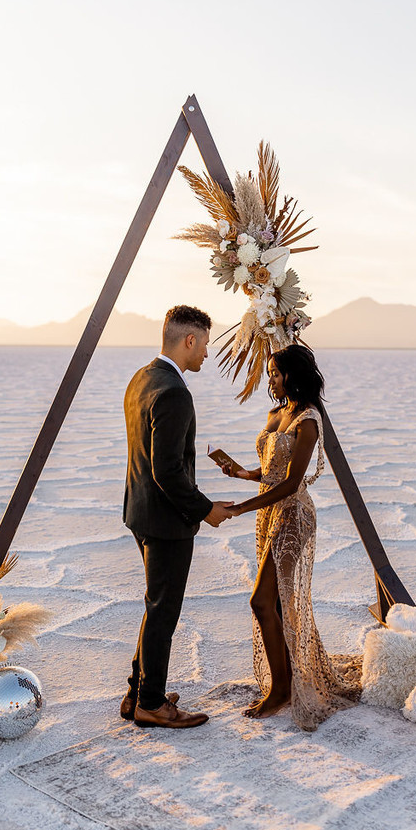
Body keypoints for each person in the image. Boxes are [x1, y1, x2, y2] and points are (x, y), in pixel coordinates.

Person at [223, 344, 362, 731]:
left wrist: (239, 508)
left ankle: (282, 688)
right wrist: (241, 473)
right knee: (276, 602)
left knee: (262, 601)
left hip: (293, 515)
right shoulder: (276, 413)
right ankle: (284, 682)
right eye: (269, 373)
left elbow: (291, 483)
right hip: (270, 512)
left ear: (293, 374)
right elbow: (270, 469)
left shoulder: (308, 420)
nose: (270, 380)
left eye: (276, 373)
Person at [122, 305, 233, 729]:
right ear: (189, 340)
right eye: (205, 343)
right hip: (165, 521)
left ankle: (138, 693)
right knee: (163, 611)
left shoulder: (142, 379)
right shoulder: (174, 392)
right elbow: (166, 469)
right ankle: (150, 702)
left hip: (141, 511)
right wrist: (206, 510)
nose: (207, 352)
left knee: (156, 606)